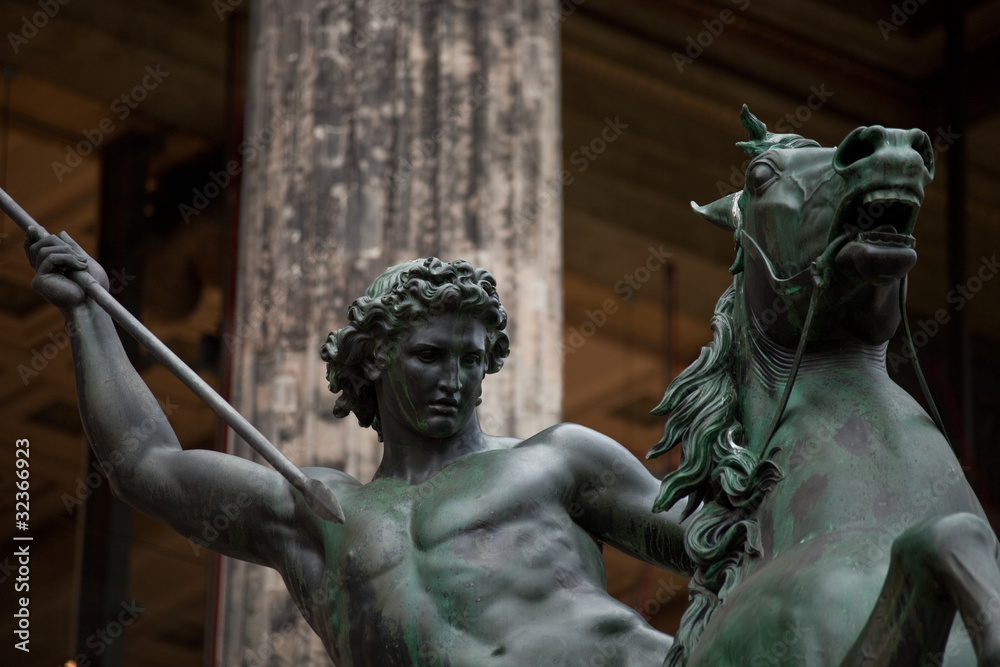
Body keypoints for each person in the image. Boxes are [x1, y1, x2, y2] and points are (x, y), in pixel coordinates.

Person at [25, 228, 694, 667]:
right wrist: (88, 313)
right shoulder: (319, 514)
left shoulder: (559, 458)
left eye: (473, 358)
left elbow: (719, 539)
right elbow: (145, 466)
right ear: (374, 359)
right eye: (431, 355)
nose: (456, 380)